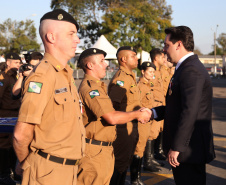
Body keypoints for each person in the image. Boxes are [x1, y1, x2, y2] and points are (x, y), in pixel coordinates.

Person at [13, 9, 86, 185]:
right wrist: (28, 167)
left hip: (67, 170)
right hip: (48, 172)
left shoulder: (64, 74)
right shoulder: (43, 76)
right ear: (51, 37)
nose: (77, 40)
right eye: (71, 34)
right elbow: (21, 135)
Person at [152, 26, 215, 185]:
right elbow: (177, 106)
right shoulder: (186, 68)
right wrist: (153, 113)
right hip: (188, 148)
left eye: (167, 45)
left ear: (178, 44)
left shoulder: (191, 70)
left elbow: (190, 111)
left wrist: (177, 147)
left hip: (188, 150)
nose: (164, 50)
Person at [77, 48, 151, 185]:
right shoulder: (91, 88)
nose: (106, 64)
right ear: (90, 65)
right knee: (117, 170)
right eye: (102, 61)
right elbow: (111, 115)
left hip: (103, 147)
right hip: (96, 150)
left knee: (121, 168)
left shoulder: (98, 86)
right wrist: (136, 114)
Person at [108, 46, 144, 185]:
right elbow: (113, 104)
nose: (137, 58)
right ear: (123, 59)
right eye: (133, 56)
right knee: (119, 165)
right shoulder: (121, 78)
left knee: (124, 164)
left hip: (131, 126)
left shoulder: (130, 76)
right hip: (122, 128)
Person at [0, 52, 21, 185]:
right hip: (4, 116)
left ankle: (12, 173)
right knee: (4, 147)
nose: (18, 65)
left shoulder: (14, 77)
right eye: (16, 63)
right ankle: (3, 175)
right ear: (8, 63)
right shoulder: (4, 77)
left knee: (13, 146)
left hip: (14, 115)